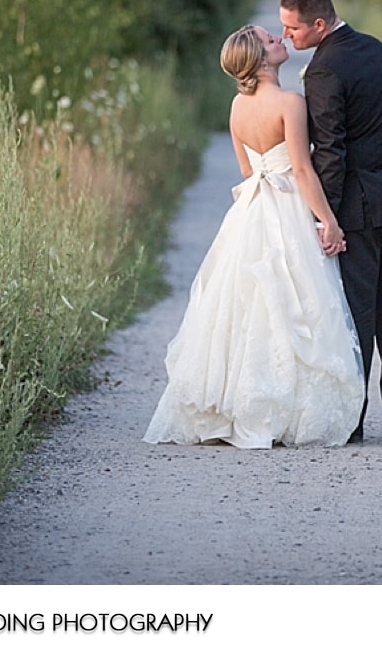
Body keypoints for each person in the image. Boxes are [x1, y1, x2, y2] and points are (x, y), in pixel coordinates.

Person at [143, 25, 365, 449]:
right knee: (294, 303)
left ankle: (236, 403)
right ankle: (284, 407)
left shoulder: (236, 107)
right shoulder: (289, 103)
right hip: (287, 210)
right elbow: (301, 170)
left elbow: (249, 171)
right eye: (270, 40)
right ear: (260, 60)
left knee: (247, 305)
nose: (279, 40)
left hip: (252, 210)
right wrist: (329, 222)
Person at [279, 0, 382, 444]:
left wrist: (327, 218)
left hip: (359, 209)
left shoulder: (324, 71)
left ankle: (351, 422)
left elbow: (331, 153)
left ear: (318, 24)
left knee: (357, 315)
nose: (286, 38)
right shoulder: (376, 48)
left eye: (292, 29)